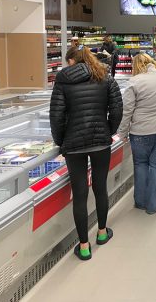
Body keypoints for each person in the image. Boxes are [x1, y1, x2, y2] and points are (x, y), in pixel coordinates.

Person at [49, 46, 123, 261]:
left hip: (74, 144)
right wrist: (108, 131)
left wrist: (61, 142)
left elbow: (56, 115)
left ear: (72, 61)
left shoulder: (62, 79)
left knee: (79, 194)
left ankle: (83, 246)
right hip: (100, 142)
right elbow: (117, 109)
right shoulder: (105, 77)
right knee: (100, 188)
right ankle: (102, 232)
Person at [117, 53, 156, 215]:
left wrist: (122, 132)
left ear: (135, 66)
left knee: (141, 164)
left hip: (141, 132)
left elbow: (127, 111)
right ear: (152, 62)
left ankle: (140, 202)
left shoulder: (134, 82)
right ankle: (153, 205)